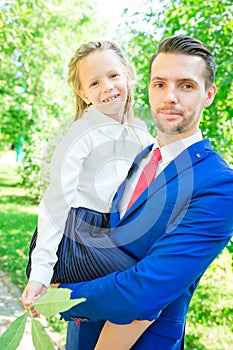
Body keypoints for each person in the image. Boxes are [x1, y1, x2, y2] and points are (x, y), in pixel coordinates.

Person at [57, 35, 233, 350]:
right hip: (83, 338)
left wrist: (58, 296)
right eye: (160, 84)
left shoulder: (219, 185)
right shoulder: (138, 159)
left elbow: (145, 291)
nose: (170, 97)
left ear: (209, 94)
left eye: (187, 86)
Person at [22, 40, 155, 347]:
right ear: (83, 94)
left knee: (133, 300)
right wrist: (40, 273)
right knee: (149, 293)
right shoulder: (81, 133)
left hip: (114, 235)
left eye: (112, 76)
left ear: (127, 75)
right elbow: (57, 201)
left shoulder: (142, 135)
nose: (107, 87)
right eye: (94, 83)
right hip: (78, 238)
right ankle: (57, 287)